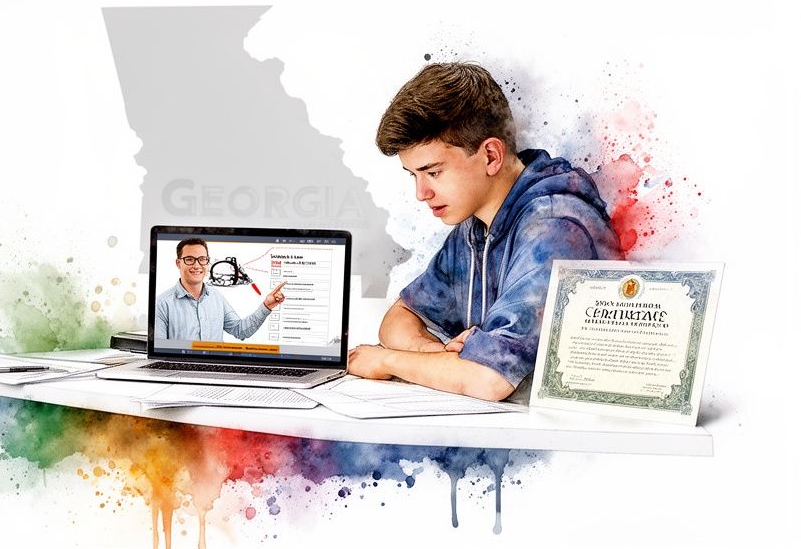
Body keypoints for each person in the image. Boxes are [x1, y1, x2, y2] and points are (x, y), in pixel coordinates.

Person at [347, 62, 622, 402]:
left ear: (491, 155)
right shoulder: (475, 225)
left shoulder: (553, 227)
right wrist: (435, 354)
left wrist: (387, 360)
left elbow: (490, 380)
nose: (421, 193)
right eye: (413, 175)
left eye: (433, 172)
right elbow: (400, 316)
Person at [155, 238, 287, 341]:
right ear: (178, 263)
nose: (197, 265)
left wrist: (266, 306)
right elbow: (160, 351)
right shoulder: (161, 304)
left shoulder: (216, 297)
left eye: (202, 259)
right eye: (189, 259)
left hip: (215, 370)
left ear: (207, 262)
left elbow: (240, 331)